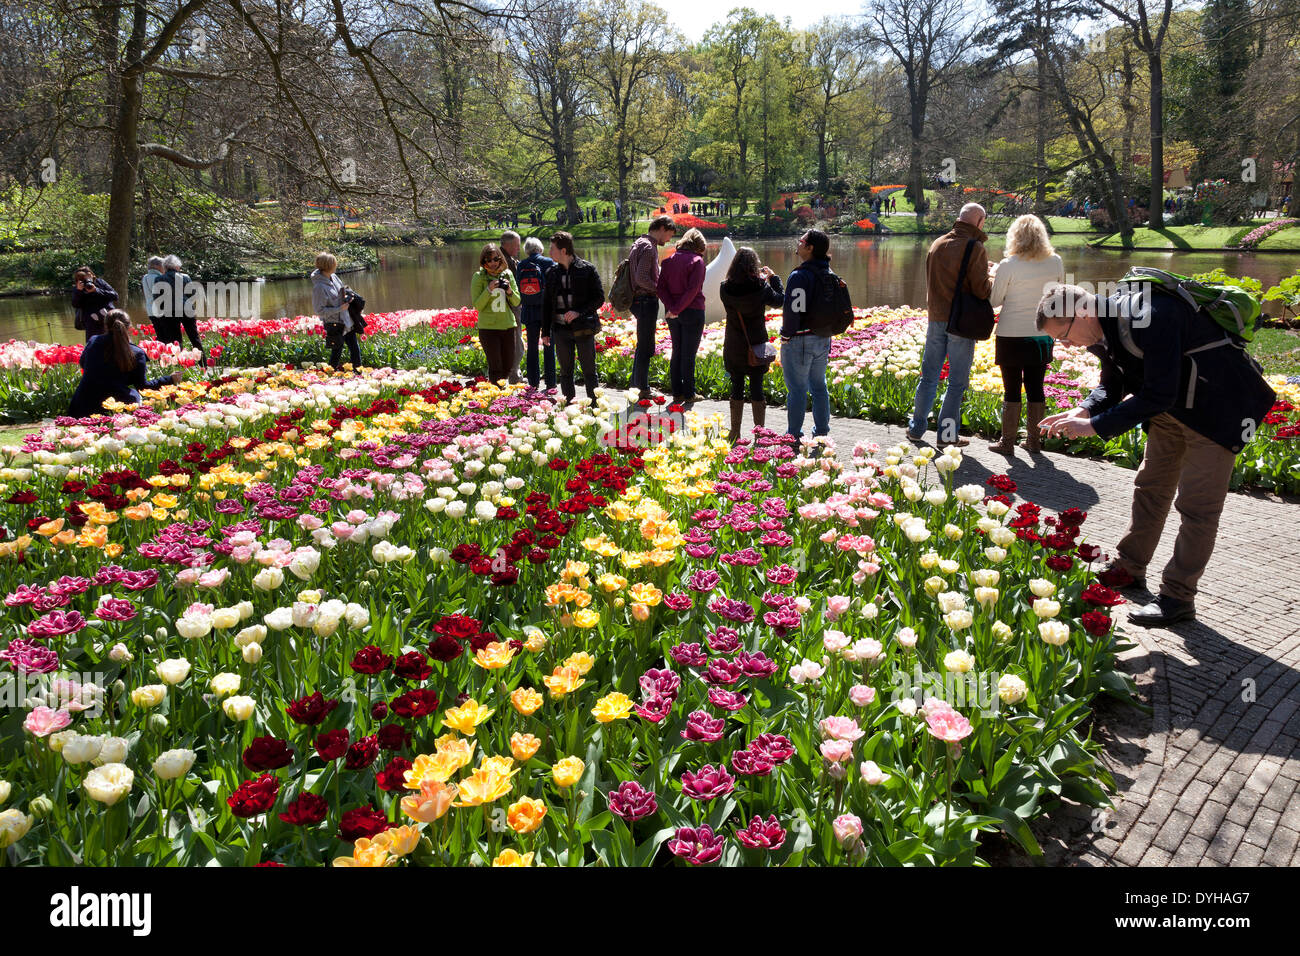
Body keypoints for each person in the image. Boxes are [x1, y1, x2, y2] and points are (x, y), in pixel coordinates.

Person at [1037, 284, 1275, 627]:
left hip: (1216, 413)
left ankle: (1178, 597)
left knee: (1197, 508)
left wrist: (1097, 427)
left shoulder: (1153, 316)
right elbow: (1112, 382)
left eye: (1064, 335)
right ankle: (1129, 569)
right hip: (1171, 411)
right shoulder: (1105, 327)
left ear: (1084, 312)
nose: (1067, 345)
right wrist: (1085, 410)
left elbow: (1159, 391)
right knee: (1149, 488)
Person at [907, 203, 992, 446]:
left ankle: (916, 429)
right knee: (956, 382)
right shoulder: (975, 247)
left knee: (929, 377)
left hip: (935, 318)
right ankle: (946, 436)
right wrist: (992, 277)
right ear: (979, 222)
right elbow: (981, 290)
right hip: (961, 323)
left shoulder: (937, 243)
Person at [986, 214, 1064, 454]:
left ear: (1015, 237)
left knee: (1011, 388)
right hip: (1041, 332)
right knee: (1036, 386)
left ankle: (1007, 443)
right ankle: (1033, 442)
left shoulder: (1009, 264)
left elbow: (995, 301)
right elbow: (1059, 296)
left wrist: (992, 276)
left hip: (1011, 332)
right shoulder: (1056, 262)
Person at [68, 309, 183, 417]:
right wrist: (170, 379)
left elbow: (83, 364)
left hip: (81, 407)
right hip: (113, 408)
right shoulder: (136, 353)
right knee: (134, 395)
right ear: (130, 327)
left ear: (105, 325)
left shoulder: (93, 341)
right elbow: (143, 387)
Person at [720, 247, 783, 442]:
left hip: (734, 344)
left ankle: (735, 432)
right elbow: (781, 301)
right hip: (756, 345)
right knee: (757, 386)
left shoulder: (725, 287)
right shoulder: (761, 287)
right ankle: (760, 434)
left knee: (736, 385)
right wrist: (773, 279)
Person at [779, 229, 835, 445]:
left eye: (801, 241)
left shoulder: (799, 276)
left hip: (800, 340)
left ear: (810, 248)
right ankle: (822, 432)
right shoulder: (828, 273)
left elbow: (794, 311)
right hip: (823, 338)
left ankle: (793, 434)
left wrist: (786, 335)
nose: (798, 243)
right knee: (819, 386)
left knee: (797, 389)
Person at [541, 232, 603, 404]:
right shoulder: (551, 272)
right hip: (560, 330)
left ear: (563, 250)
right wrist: (545, 331)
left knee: (589, 371)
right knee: (566, 372)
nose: (549, 252)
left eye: (552, 248)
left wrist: (578, 312)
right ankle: (569, 406)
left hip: (583, 328)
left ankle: (594, 407)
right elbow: (546, 304)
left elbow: (599, 298)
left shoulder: (587, 269)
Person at [628, 214, 678, 400]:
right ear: (662, 228)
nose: (669, 239)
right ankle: (643, 388)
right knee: (646, 346)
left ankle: (636, 385)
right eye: (669, 235)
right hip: (645, 300)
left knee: (643, 343)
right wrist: (660, 290)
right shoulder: (649, 247)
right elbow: (641, 278)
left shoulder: (639, 242)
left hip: (637, 300)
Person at [656, 227, 708, 406]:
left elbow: (660, 288)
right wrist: (677, 308)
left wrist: (672, 308)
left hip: (672, 313)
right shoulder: (697, 261)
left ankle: (677, 393)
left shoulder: (668, 261)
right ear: (699, 246)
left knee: (677, 351)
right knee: (689, 354)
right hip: (692, 311)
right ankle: (689, 393)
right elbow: (693, 290)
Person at [471, 242, 522, 384]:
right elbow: (478, 306)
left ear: (501, 259)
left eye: (495, 259)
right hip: (488, 328)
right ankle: (496, 399)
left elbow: (517, 302)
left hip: (507, 326)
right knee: (496, 367)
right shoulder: (479, 277)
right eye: (488, 260)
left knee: (508, 366)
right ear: (483, 261)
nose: (492, 263)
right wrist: (488, 290)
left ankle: (500, 396)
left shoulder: (508, 274)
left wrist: (509, 291)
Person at [515, 237, 556, 390]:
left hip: (529, 309)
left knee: (532, 347)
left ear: (526, 250)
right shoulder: (548, 262)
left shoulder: (521, 265)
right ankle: (551, 383)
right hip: (546, 311)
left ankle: (533, 382)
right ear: (540, 249)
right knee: (549, 345)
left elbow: (520, 287)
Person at [311, 251, 361, 369]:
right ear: (328, 266)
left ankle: (358, 373)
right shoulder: (319, 287)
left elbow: (341, 292)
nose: (336, 265)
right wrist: (339, 308)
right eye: (334, 263)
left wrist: (348, 297)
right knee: (336, 352)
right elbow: (319, 310)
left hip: (347, 320)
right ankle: (329, 377)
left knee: (355, 348)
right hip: (335, 323)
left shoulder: (334, 277)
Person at [157, 255, 205, 362]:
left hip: (169, 311)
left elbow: (157, 298)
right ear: (177, 266)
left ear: (165, 267)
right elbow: (192, 294)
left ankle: (178, 364)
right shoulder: (185, 277)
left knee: (175, 341)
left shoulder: (159, 279)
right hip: (187, 310)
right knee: (194, 338)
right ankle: (203, 364)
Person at [501, 230, 525, 383]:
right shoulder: (505, 262)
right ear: (508, 245)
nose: (519, 248)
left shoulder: (498, 258)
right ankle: (514, 375)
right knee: (517, 343)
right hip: (511, 306)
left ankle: (510, 374)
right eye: (516, 245)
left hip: (504, 307)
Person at [70, 267, 117, 342]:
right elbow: (75, 304)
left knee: (114, 341)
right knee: (94, 344)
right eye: (83, 277)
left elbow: (115, 296)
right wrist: (79, 291)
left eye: (88, 275)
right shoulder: (78, 288)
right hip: (91, 322)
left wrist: (96, 290)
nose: (87, 279)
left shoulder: (100, 282)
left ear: (92, 275)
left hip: (108, 318)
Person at [141, 256, 164, 326]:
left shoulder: (145, 277)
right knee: (166, 335)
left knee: (159, 334)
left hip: (150, 311)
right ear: (157, 266)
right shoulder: (159, 278)